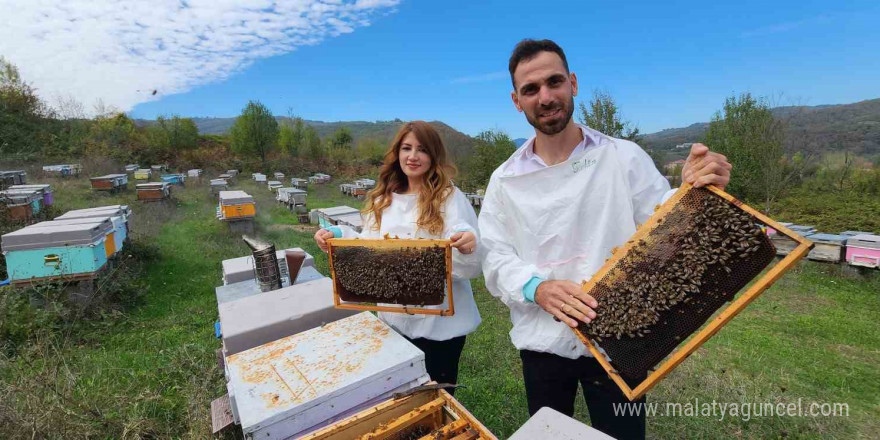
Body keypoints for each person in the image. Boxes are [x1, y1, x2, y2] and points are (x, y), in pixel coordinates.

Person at [479, 39, 733, 439]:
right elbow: (494, 256)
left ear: (573, 84)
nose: (545, 97)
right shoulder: (504, 180)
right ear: (516, 100)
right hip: (542, 341)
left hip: (622, 339)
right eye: (531, 89)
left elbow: (663, 222)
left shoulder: (624, 156)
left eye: (554, 82)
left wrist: (693, 190)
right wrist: (535, 287)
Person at [314, 120, 482, 391]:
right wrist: (339, 235)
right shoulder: (384, 198)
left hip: (439, 324)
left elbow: (467, 248)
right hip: (394, 316)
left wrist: (466, 242)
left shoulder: (449, 197)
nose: (413, 156)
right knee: (400, 390)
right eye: (407, 148)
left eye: (422, 149)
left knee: (437, 395)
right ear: (397, 153)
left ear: (433, 155)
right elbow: (371, 244)